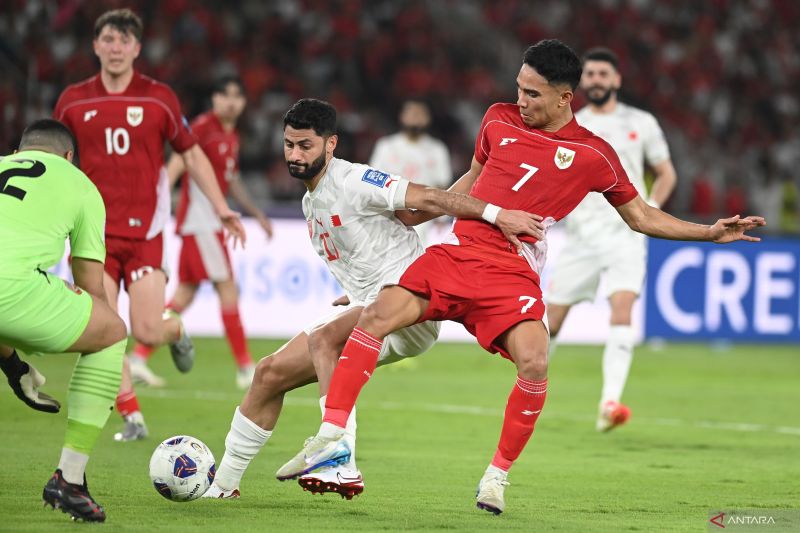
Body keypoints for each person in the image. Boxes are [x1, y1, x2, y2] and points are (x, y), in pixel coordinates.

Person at [279, 39, 765, 515]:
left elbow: (641, 216)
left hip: (512, 271)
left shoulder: (594, 154)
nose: (521, 100)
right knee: (377, 313)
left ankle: (496, 476)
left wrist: (707, 233)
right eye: (519, 87)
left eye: (532, 93)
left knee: (535, 361)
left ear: (564, 97)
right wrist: (419, 216)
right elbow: (471, 180)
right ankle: (332, 438)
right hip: (459, 252)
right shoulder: (497, 118)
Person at [203, 98, 545, 500]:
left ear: (331, 144)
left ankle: (340, 459)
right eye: (289, 145)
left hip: (410, 301)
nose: (295, 155)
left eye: (306, 146)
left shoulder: (354, 180)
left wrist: (494, 213)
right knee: (268, 374)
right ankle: (222, 487)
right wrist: (353, 291)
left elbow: (428, 199)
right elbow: (405, 222)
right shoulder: (312, 201)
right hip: (368, 303)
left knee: (324, 339)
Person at [53, 9, 246, 442]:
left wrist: (221, 208)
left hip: (146, 234)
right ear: (95, 45)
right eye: (108, 39)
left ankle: (174, 329)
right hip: (93, 234)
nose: (116, 48)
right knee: (104, 329)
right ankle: (133, 417)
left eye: (124, 41)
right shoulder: (73, 101)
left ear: (137, 48)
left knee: (146, 330)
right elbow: (55, 160)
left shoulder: (159, 98)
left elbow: (191, 154)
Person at [0, 119, 128, 522]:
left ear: (18, 152)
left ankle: (17, 370)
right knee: (111, 332)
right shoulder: (81, 185)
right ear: (69, 156)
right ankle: (69, 479)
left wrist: (13, 365)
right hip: (11, 290)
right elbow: (92, 289)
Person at [546, 47, 678, 432]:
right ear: (581, 81)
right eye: (590, 74)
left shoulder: (641, 122)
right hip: (582, 236)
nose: (597, 80)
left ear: (617, 79)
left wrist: (650, 210)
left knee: (622, 310)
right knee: (551, 321)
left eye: (604, 74)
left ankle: (610, 403)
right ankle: (529, 388)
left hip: (626, 235)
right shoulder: (571, 125)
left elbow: (666, 173)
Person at [129, 75, 273, 390]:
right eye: (225, 95)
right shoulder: (203, 127)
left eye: (237, 96)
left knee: (185, 294)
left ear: (244, 102)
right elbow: (180, 160)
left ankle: (138, 358)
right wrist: (159, 199)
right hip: (201, 221)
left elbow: (231, 179)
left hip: (207, 224)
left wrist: (256, 213)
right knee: (227, 289)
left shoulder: (231, 135)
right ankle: (245, 368)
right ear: (214, 99)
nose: (231, 101)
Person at [369, 98, 452, 246]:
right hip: (389, 215)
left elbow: (443, 186)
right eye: (411, 112)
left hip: (423, 219)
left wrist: (442, 218)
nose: (415, 116)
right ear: (402, 116)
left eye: (419, 113)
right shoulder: (386, 146)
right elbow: (372, 182)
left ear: (427, 118)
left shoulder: (437, 149)